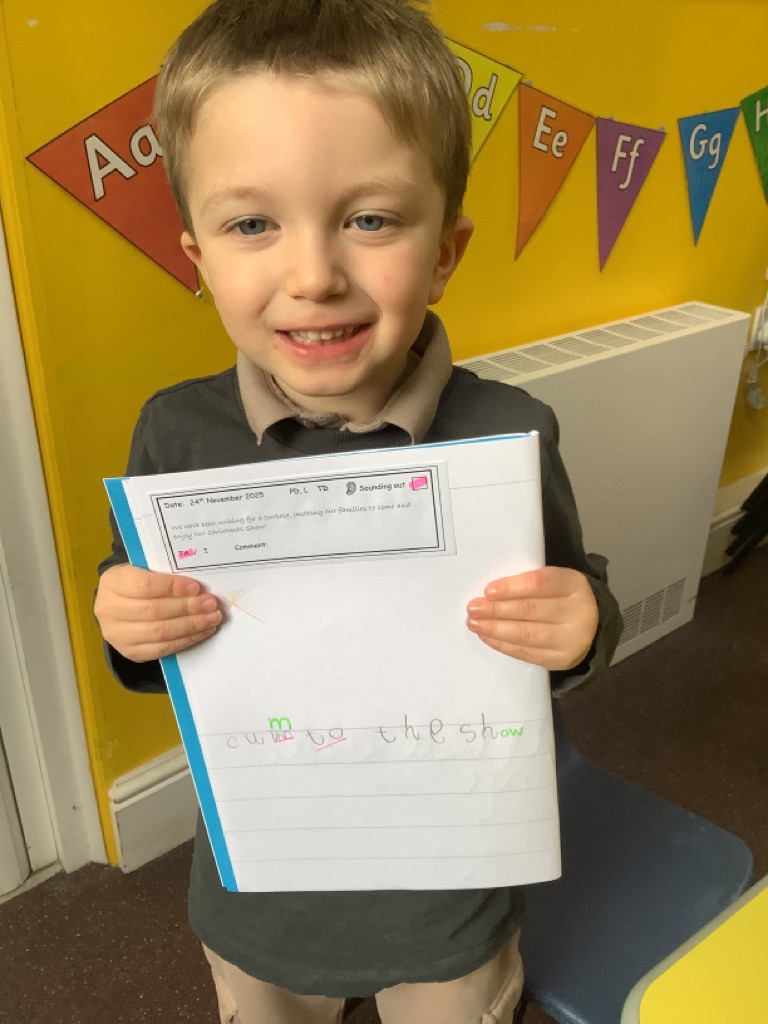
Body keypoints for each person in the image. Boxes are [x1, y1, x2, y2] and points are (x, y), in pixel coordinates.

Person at [94, 1, 623, 1020]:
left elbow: (570, 605)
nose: (314, 276)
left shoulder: (508, 433)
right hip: (260, 897)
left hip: (450, 900)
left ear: (445, 251)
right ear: (199, 258)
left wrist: (581, 625)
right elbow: (156, 633)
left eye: (370, 218)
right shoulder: (174, 434)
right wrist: (129, 620)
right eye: (253, 224)